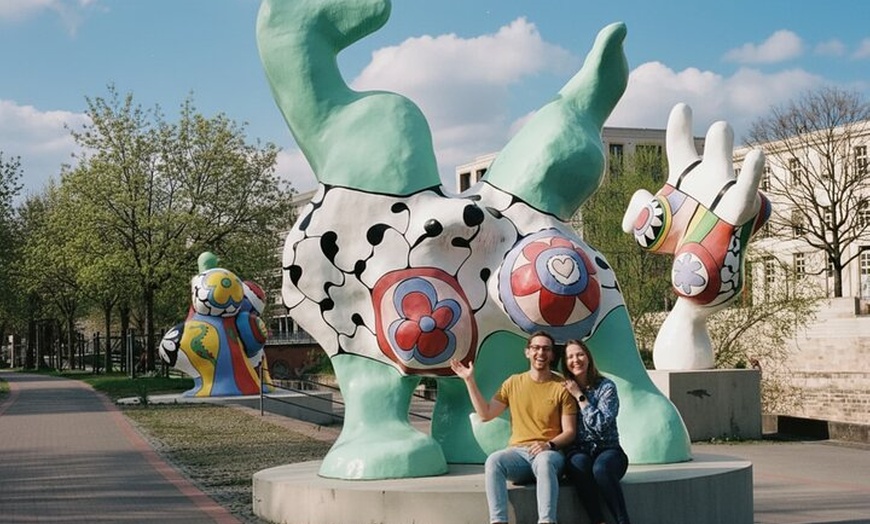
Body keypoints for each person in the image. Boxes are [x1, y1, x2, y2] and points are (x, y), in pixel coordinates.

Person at [450, 331, 577, 524]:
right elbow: (485, 414)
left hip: (550, 455)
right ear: (527, 352)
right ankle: (498, 521)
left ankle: (547, 521)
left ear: (552, 355)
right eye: (535, 348)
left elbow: (570, 432)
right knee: (494, 461)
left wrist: (549, 445)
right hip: (518, 455)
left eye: (546, 349)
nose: (540, 353)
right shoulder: (513, 382)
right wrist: (469, 380)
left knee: (544, 462)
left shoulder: (562, 386)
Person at [560, 340, 631, 524]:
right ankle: (598, 521)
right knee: (579, 464)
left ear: (588, 358)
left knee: (601, 469)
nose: (576, 360)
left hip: (609, 450)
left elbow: (600, 424)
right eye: (570, 356)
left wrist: (579, 396)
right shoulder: (562, 390)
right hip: (579, 450)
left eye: (580, 354)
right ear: (565, 363)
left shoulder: (606, 387)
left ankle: (623, 521)